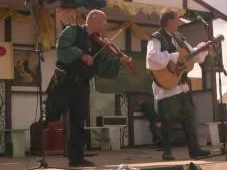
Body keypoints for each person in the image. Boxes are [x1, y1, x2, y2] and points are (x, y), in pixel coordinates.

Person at [45, 9, 131, 167]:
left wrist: (119, 61)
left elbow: (102, 67)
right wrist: (80, 55)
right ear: (94, 18)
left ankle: (76, 159)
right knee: (51, 118)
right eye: (104, 21)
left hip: (82, 86)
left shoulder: (99, 42)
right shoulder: (72, 31)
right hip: (63, 82)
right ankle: (43, 156)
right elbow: (61, 48)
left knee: (79, 122)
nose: (106, 24)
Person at [146, 9, 211, 160]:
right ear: (168, 21)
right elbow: (152, 58)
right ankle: (167, 152)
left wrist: (202, 48)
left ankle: (194, 150)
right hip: (166, 86)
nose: (179, 22)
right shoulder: (156, 38)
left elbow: (191, 54)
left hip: (181, 85)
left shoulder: (179, 36)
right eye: (177, 19)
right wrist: (173, 56)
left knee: (189, 118)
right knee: (167, 121)